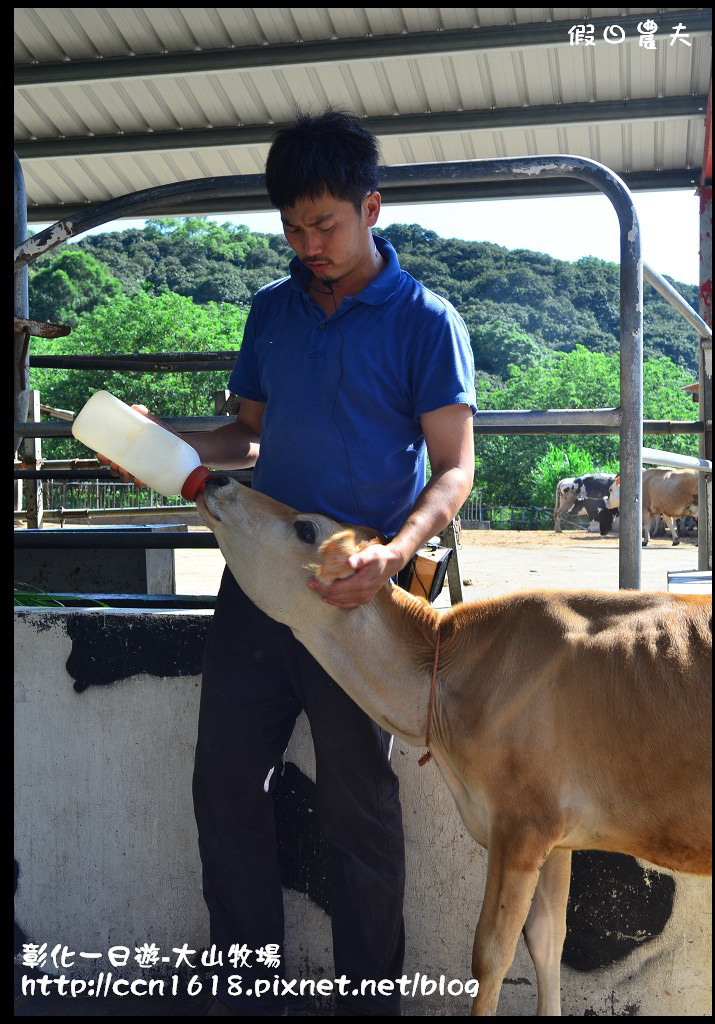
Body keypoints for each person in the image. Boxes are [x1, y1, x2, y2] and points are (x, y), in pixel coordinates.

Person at [119, 109, 477, 1015]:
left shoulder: (426, 322)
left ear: (371, 208)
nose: (307, 243)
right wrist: (159, 441)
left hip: (360, 595)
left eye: (325, 224)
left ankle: (368, 1003)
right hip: (258, 583)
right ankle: (247, 987)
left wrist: (398, 552)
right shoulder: (270, 311)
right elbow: (245, 437)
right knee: (226, 784)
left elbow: (455, 467)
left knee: (358, 805)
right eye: (291, 227)